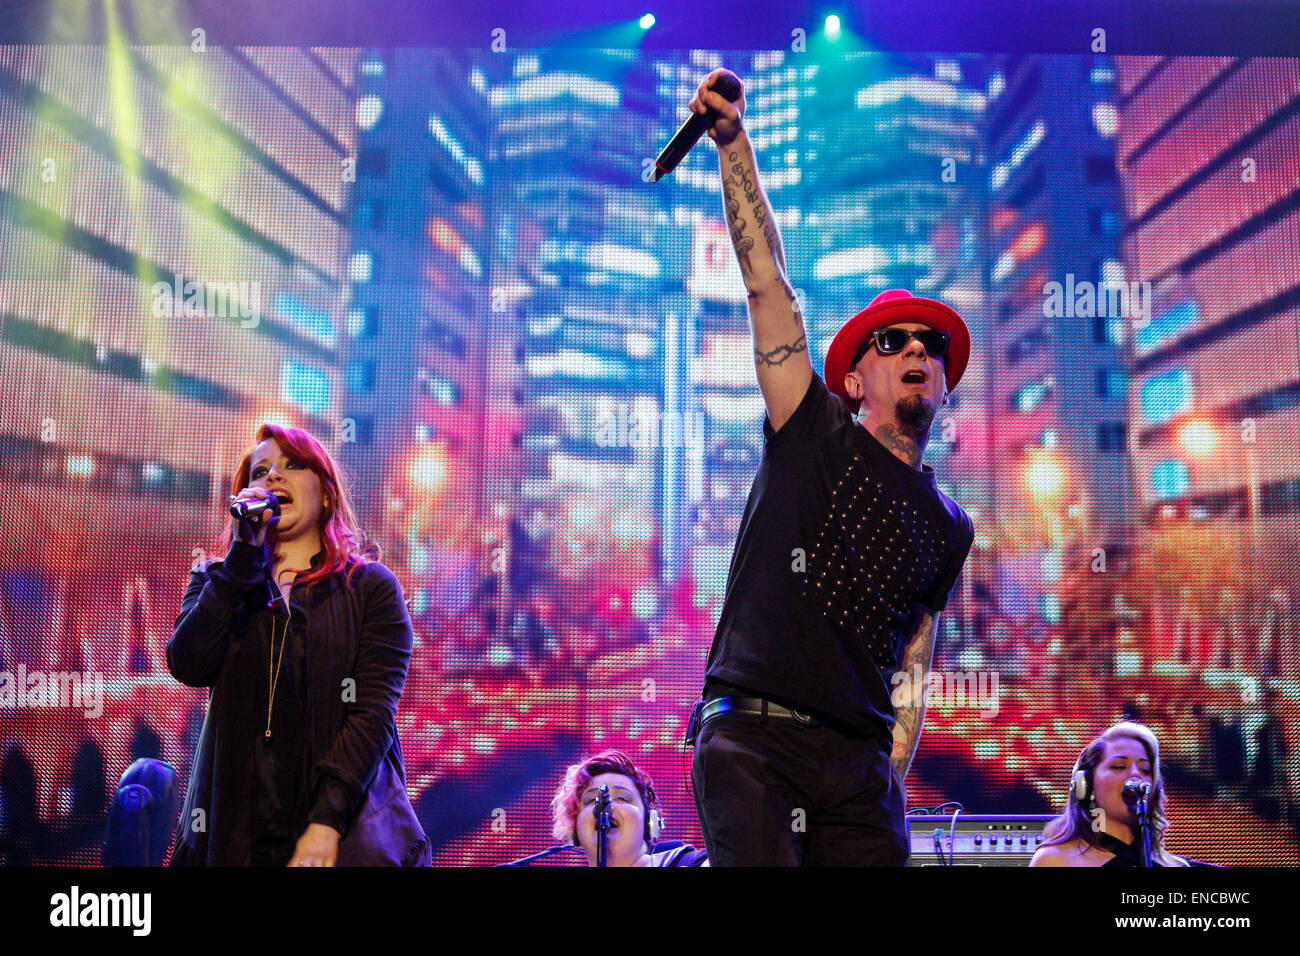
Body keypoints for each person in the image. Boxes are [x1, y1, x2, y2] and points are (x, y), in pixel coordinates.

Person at [685, 69, 975, 866]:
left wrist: (889, 770)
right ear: (854, 380)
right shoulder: (812, 425)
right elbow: (767, 284)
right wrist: (734, 146)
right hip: (752, 739)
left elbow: (915, 656)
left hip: (859, 769)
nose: (917, 348)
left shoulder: (952, 524)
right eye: (894, 341)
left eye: (933, 345)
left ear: (944, 383)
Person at [167, 423, 429, 866]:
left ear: (326, 494)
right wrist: (240, 562)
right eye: (259, 472)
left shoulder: (369, 588)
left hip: (334, 834)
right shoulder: (216, 581)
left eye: (292, 466)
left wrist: (326, 821)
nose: (272, 478)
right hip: (235, 838)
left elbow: (372, 713)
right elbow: (189, 662)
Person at [1030, 721, 1190, 867]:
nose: (1135, 775)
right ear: (1087, 783)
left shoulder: (1175, 866)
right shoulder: (1054, 860)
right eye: (1119, 766)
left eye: (1145, 770)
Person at [551, 750, 708, 866]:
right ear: (574, 829)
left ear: (649, 822)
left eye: (621, 798)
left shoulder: (689, 862)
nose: (605, 805)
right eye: (592, 799)